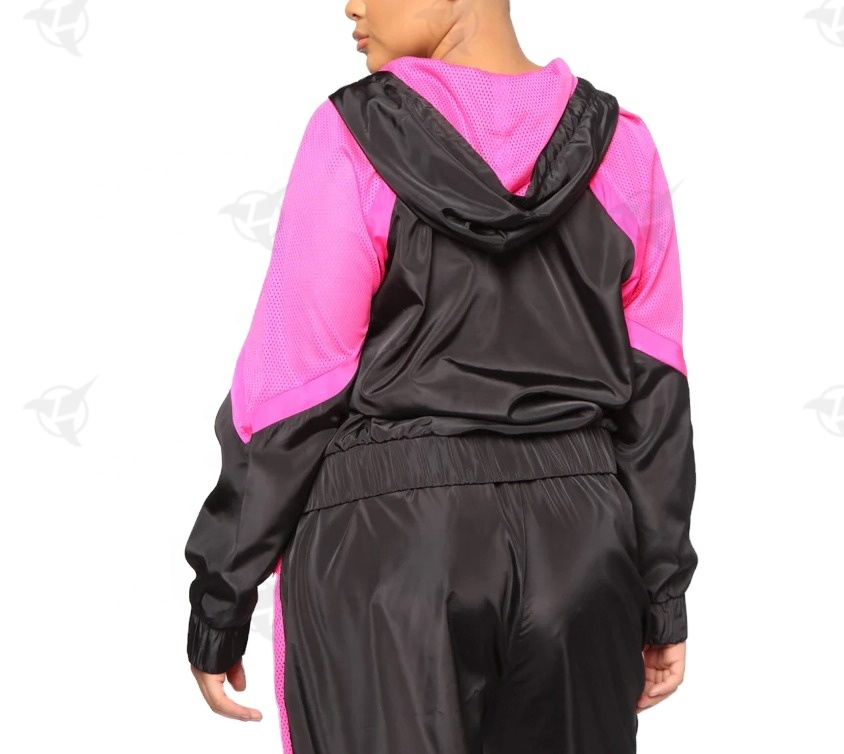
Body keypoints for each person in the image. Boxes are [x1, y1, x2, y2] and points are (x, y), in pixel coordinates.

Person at [184, 0, 698, 751]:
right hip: (581, 554)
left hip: (391, 554)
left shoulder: (355, 137)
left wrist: (221, 594)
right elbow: (655, 393)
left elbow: (293, 390)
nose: (352, 6)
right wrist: (661, 591)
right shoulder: (623, 148)